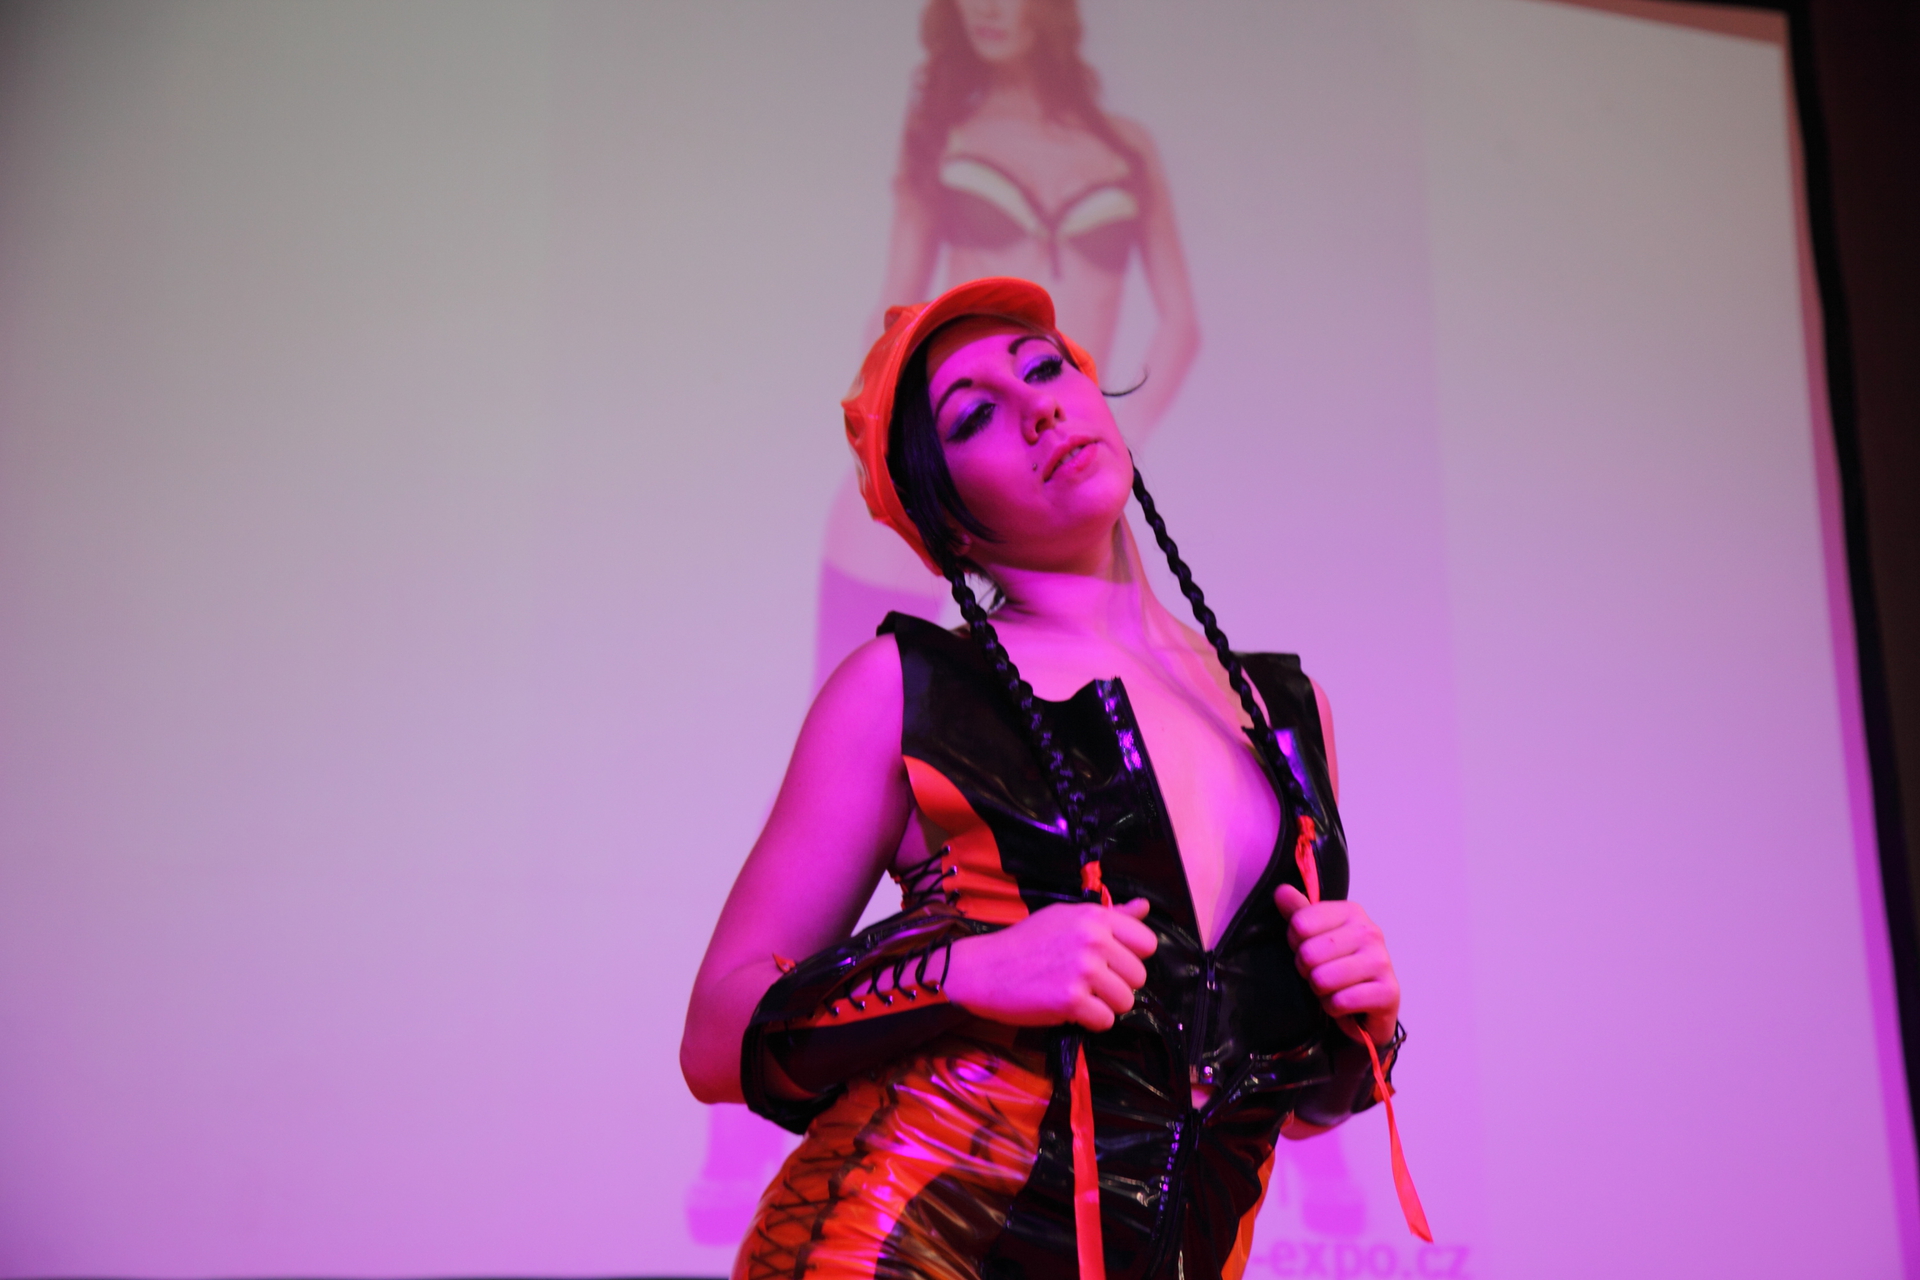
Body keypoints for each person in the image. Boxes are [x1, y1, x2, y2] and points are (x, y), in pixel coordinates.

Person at [681, 278, 1410, 1280]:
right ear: (945, 518)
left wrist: (1365, 1023)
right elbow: (717, 1033)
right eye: (974, 415)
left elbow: (1278, 1099)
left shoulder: (1285, 711)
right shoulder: (904, 688)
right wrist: (969, 971)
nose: (1039, 409)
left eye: (1046, 368)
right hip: (899, 1250)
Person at [815, 0, 1200, 691]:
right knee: (869, 703)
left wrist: (1125, 426)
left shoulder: (1126, 147)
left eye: (1047, 368)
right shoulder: (942, 136)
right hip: (952, 482)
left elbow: (1181, 323)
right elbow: (892, 303)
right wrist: (898, 447)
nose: (985, 8)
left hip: (1058, 478)